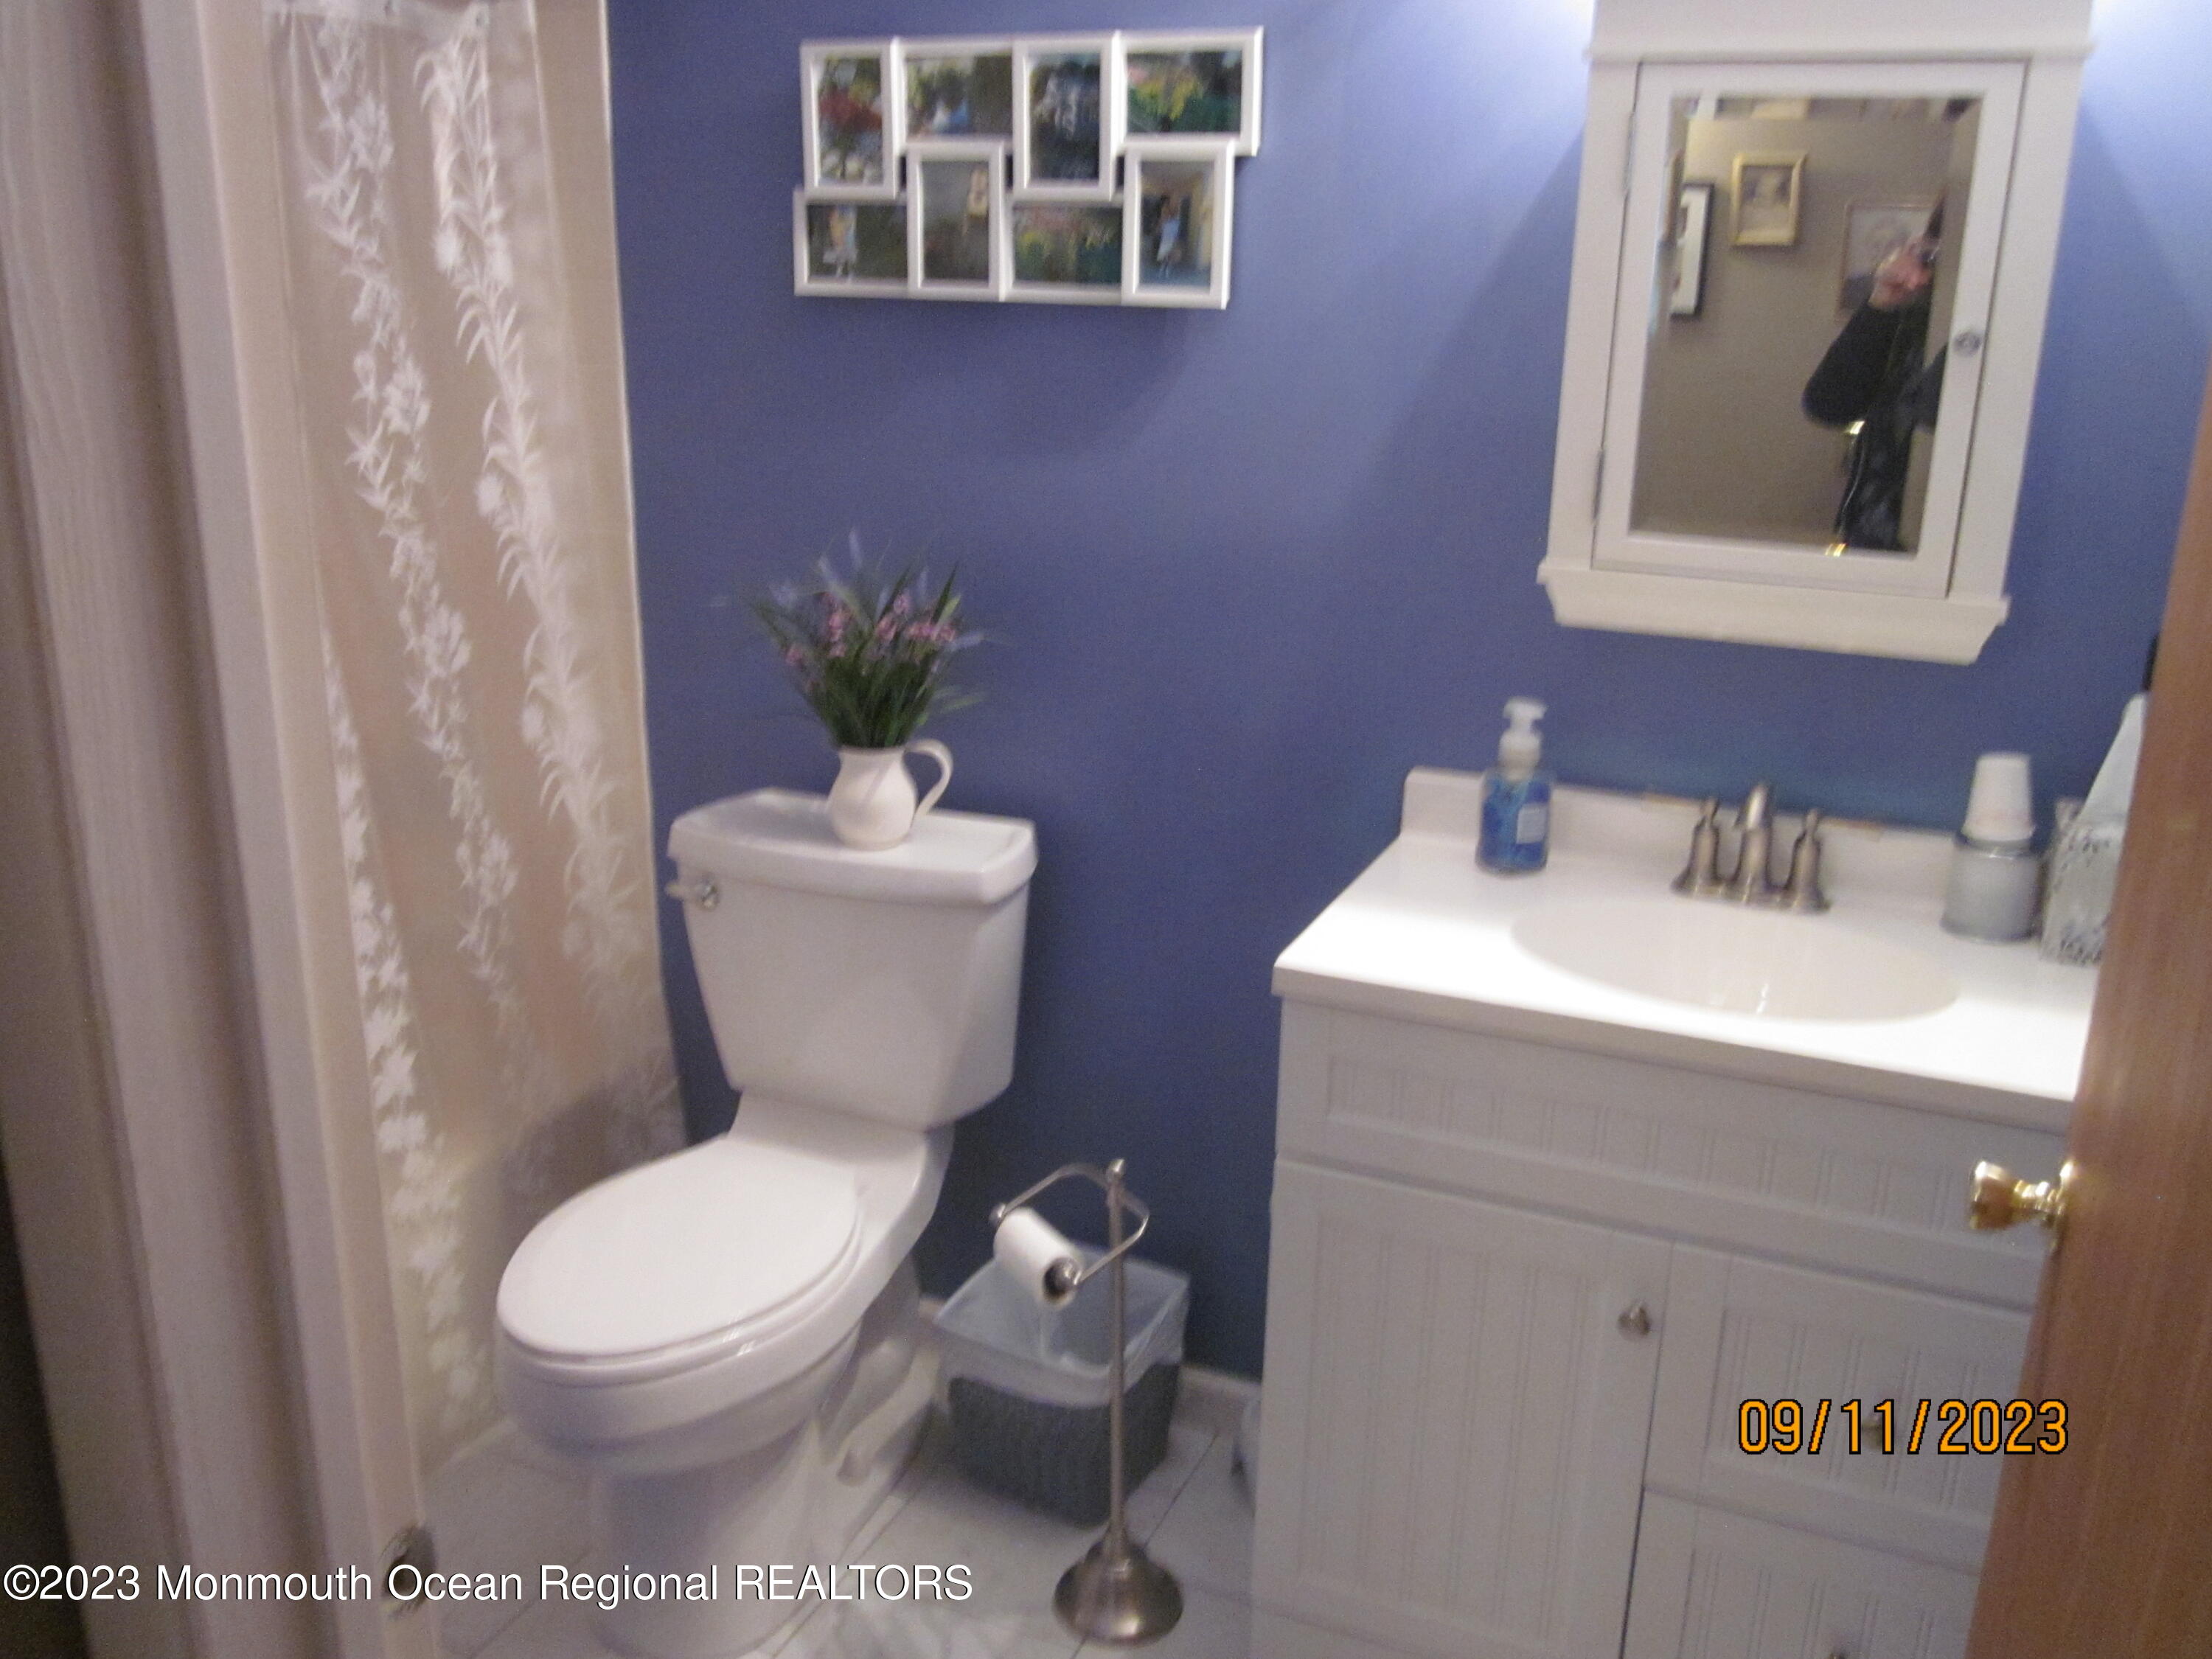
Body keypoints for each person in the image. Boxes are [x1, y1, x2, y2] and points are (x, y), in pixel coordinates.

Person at [1803, 205, 1946, 552]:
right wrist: (1881, 305)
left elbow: (1930, 415)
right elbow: (1827, 405)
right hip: (1872, 534)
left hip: (1940, 542)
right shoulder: (1909, 315)